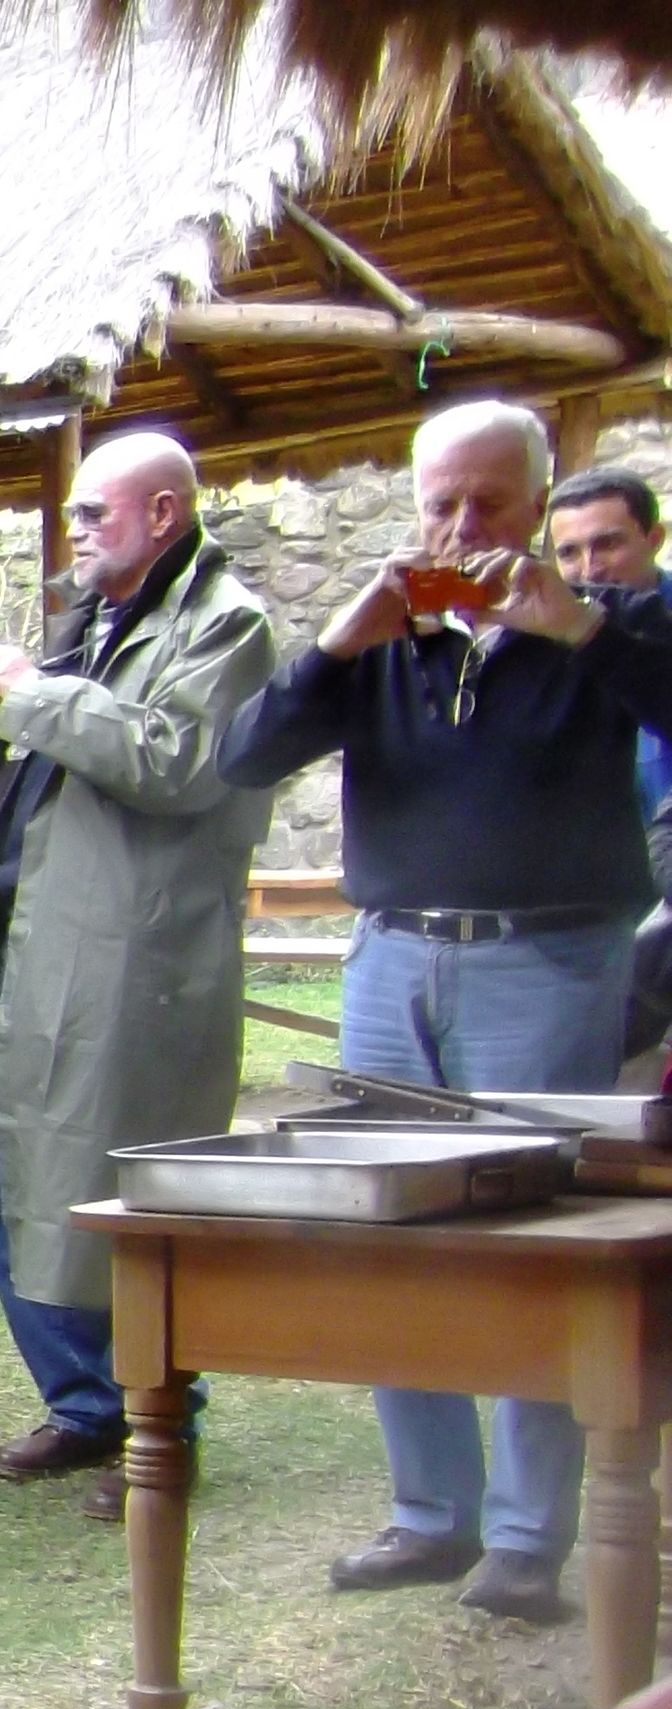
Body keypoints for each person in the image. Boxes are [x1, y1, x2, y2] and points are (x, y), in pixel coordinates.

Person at [222, 401, 672, 1623]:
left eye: (489, 503)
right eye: (441, 503)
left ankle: (528, 1539)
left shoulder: (614, 621)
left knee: (533, 1244)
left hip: (548, 961)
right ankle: (431, 1512)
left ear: (539, 507)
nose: (463, 528)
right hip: (388, 963)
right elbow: (244, 760)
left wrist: (574, 628)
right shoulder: (387, 636)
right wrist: (333, 648)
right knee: (384, 1238)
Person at [0, 432, 277, 1518]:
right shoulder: (96, 621)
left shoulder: (227, 626)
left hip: (141, 963)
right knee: (14, 1194)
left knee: (132, 1211)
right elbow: (48, 771)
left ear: (162, 513)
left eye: (96, 515)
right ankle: (91, 1406)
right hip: (44, 953)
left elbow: (175, 762)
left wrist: (35, 690)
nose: (80, 533)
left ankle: (164, 1429)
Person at [549, 467, 672, 1045]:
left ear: (656, 538)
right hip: (606, 903)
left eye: (608, 543)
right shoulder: (549, 644)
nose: (590, 570)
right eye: (568, 553)